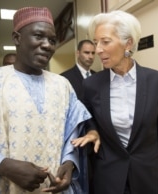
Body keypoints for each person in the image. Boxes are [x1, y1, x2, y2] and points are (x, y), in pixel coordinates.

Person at [0, 7, 99, 194]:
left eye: (52, 40)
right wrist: (3, 165)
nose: (47, 45)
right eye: (38, 36)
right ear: (17, 38)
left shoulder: (63, 85)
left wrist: (69, 163)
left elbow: (73, 134)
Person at [71, 10, 158, 194]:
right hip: (109, 179)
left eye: (105, 41)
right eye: (96, 43)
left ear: (128, 43)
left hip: (149, 177)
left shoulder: (156, 80)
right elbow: (88, 119)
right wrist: (93, 130)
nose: (98, 50)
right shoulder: (91, 85)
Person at [61, 40, 96, 194]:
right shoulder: (64, 79)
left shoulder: (99, 77)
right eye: (86, 52)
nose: (90, 56)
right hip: (76, 139)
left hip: (97, 138)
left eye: (93, 53)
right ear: (78, 53)